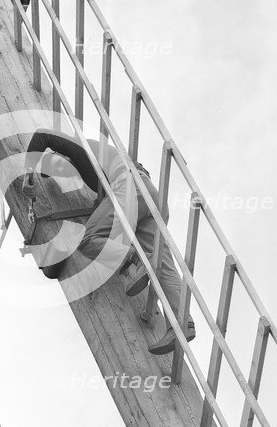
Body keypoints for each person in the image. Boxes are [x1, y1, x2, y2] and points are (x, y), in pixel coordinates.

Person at [23, 128, 195, 355]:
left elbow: (42, 135)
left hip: (130, 186)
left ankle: (134, 260)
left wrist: (28, 175)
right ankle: (182, 323)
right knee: (161, 263)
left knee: (90, 239)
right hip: (152, 198)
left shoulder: (80, 147)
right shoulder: (100, 165)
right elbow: (105, 206)